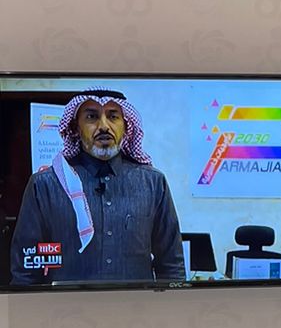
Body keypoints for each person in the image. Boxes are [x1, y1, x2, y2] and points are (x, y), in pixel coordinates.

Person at [9, 89, 185, 286]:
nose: (104, 126)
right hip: (64, 306)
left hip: (137, 305)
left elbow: (172, 267)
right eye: (92, 117)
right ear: (75, 128)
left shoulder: (153, 183)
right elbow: (25, 272)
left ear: (126, 126)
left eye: (113, 117)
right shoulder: (45, 185)